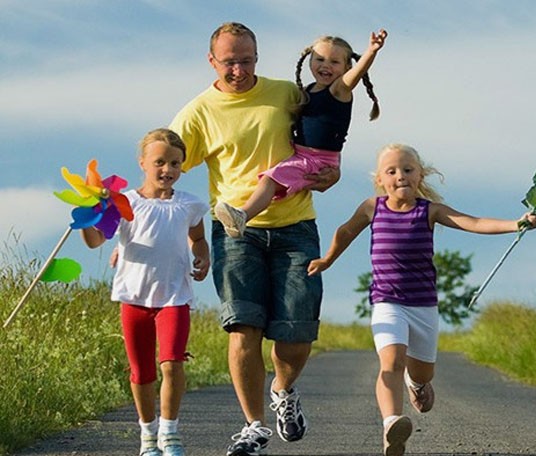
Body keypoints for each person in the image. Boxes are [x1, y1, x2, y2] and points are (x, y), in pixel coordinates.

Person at [169, 22, 339, 456]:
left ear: (257, 58)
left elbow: (325, 137)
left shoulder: (286, 94)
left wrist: (332, 174)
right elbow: (165, 165)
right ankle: (254, 425)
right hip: (235, 231)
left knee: (297, 330)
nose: (239, 70)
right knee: (243, 326)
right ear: (212, 61)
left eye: (246, 61)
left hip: (296, 225)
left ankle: (282, 389)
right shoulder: (198, 113)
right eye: (230, 62)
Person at [307, 143, 536, 456]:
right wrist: (327, 260)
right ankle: (392, 423)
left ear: (420, 175)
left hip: (423, 307)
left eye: (407, 169)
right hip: (386, 302)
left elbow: (473, 222)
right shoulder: (371, 208)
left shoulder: (429, 210)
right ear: (380, 179)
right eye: (391, 171)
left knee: (422, 374)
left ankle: (416, 384)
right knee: (390, 362)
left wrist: (517, 223)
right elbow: (345, 231)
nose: (400, 175)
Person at [81, 128, 210, 456]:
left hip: (174, 297)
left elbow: (197, 237)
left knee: (172, 363)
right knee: (141, 371)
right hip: (134, 298)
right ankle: (148, 434)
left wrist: (202, 255)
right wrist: (87, 215)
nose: (168, 169)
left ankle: (170, 431)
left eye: (175, 164)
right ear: (142, 163)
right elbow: (97, 240)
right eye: (160, 162)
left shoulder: (190, 205)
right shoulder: (126, 204)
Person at [214, 29, 388, 238]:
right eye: (320, 59)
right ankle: (243, 215)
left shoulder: (339, 90)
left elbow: (356, 75)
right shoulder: (307, 90)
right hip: (304, 156)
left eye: (334, 62)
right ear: (309, 60)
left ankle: (242, 216)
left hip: (317, 160)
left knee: (270, 180)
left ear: (347, 67)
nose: (325, 65)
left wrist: (372, 51)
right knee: (271, 180)